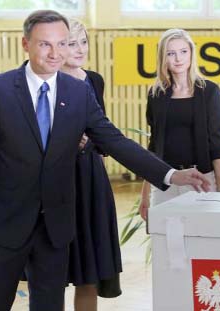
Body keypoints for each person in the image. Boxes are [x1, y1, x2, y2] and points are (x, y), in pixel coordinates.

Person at [0, 10, 210, 311]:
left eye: (62, 44)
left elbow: (115, 141)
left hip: (55, 226)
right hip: (4, 224)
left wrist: (169, 175)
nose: (55, 53)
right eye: (45, 44)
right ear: (25, 44)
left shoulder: (77, 92)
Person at [60, 19, 121, 310]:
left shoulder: (94, 79)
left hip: (90, 178)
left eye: (83, 41)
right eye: (73, 43)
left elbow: (103, 132)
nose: (80, 49)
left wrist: (90, 143)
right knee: (52, 268)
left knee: (89, 271)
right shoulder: (46, 79)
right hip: (55, 179)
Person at [139, 28, 220, 221]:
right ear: (163, 58)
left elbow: (216, 144)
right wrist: (145, 195)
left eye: (183, 52)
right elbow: (153, 146)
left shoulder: (210, 91)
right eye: (171, 53)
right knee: (164, 244)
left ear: (191, 53)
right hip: (165, 180)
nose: (178, 58)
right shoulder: (157, 94)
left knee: (202, 245)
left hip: (201, 180)